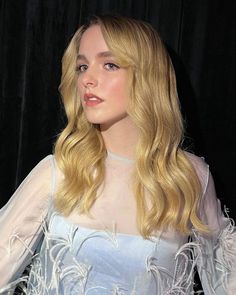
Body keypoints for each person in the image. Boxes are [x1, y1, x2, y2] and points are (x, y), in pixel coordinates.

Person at [0, 15, 235, 295]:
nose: (87, 78)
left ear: (147, 76)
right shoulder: (59, 173)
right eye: (82, 66)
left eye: (109, 64)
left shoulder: (188, 177)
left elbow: (227, 281)